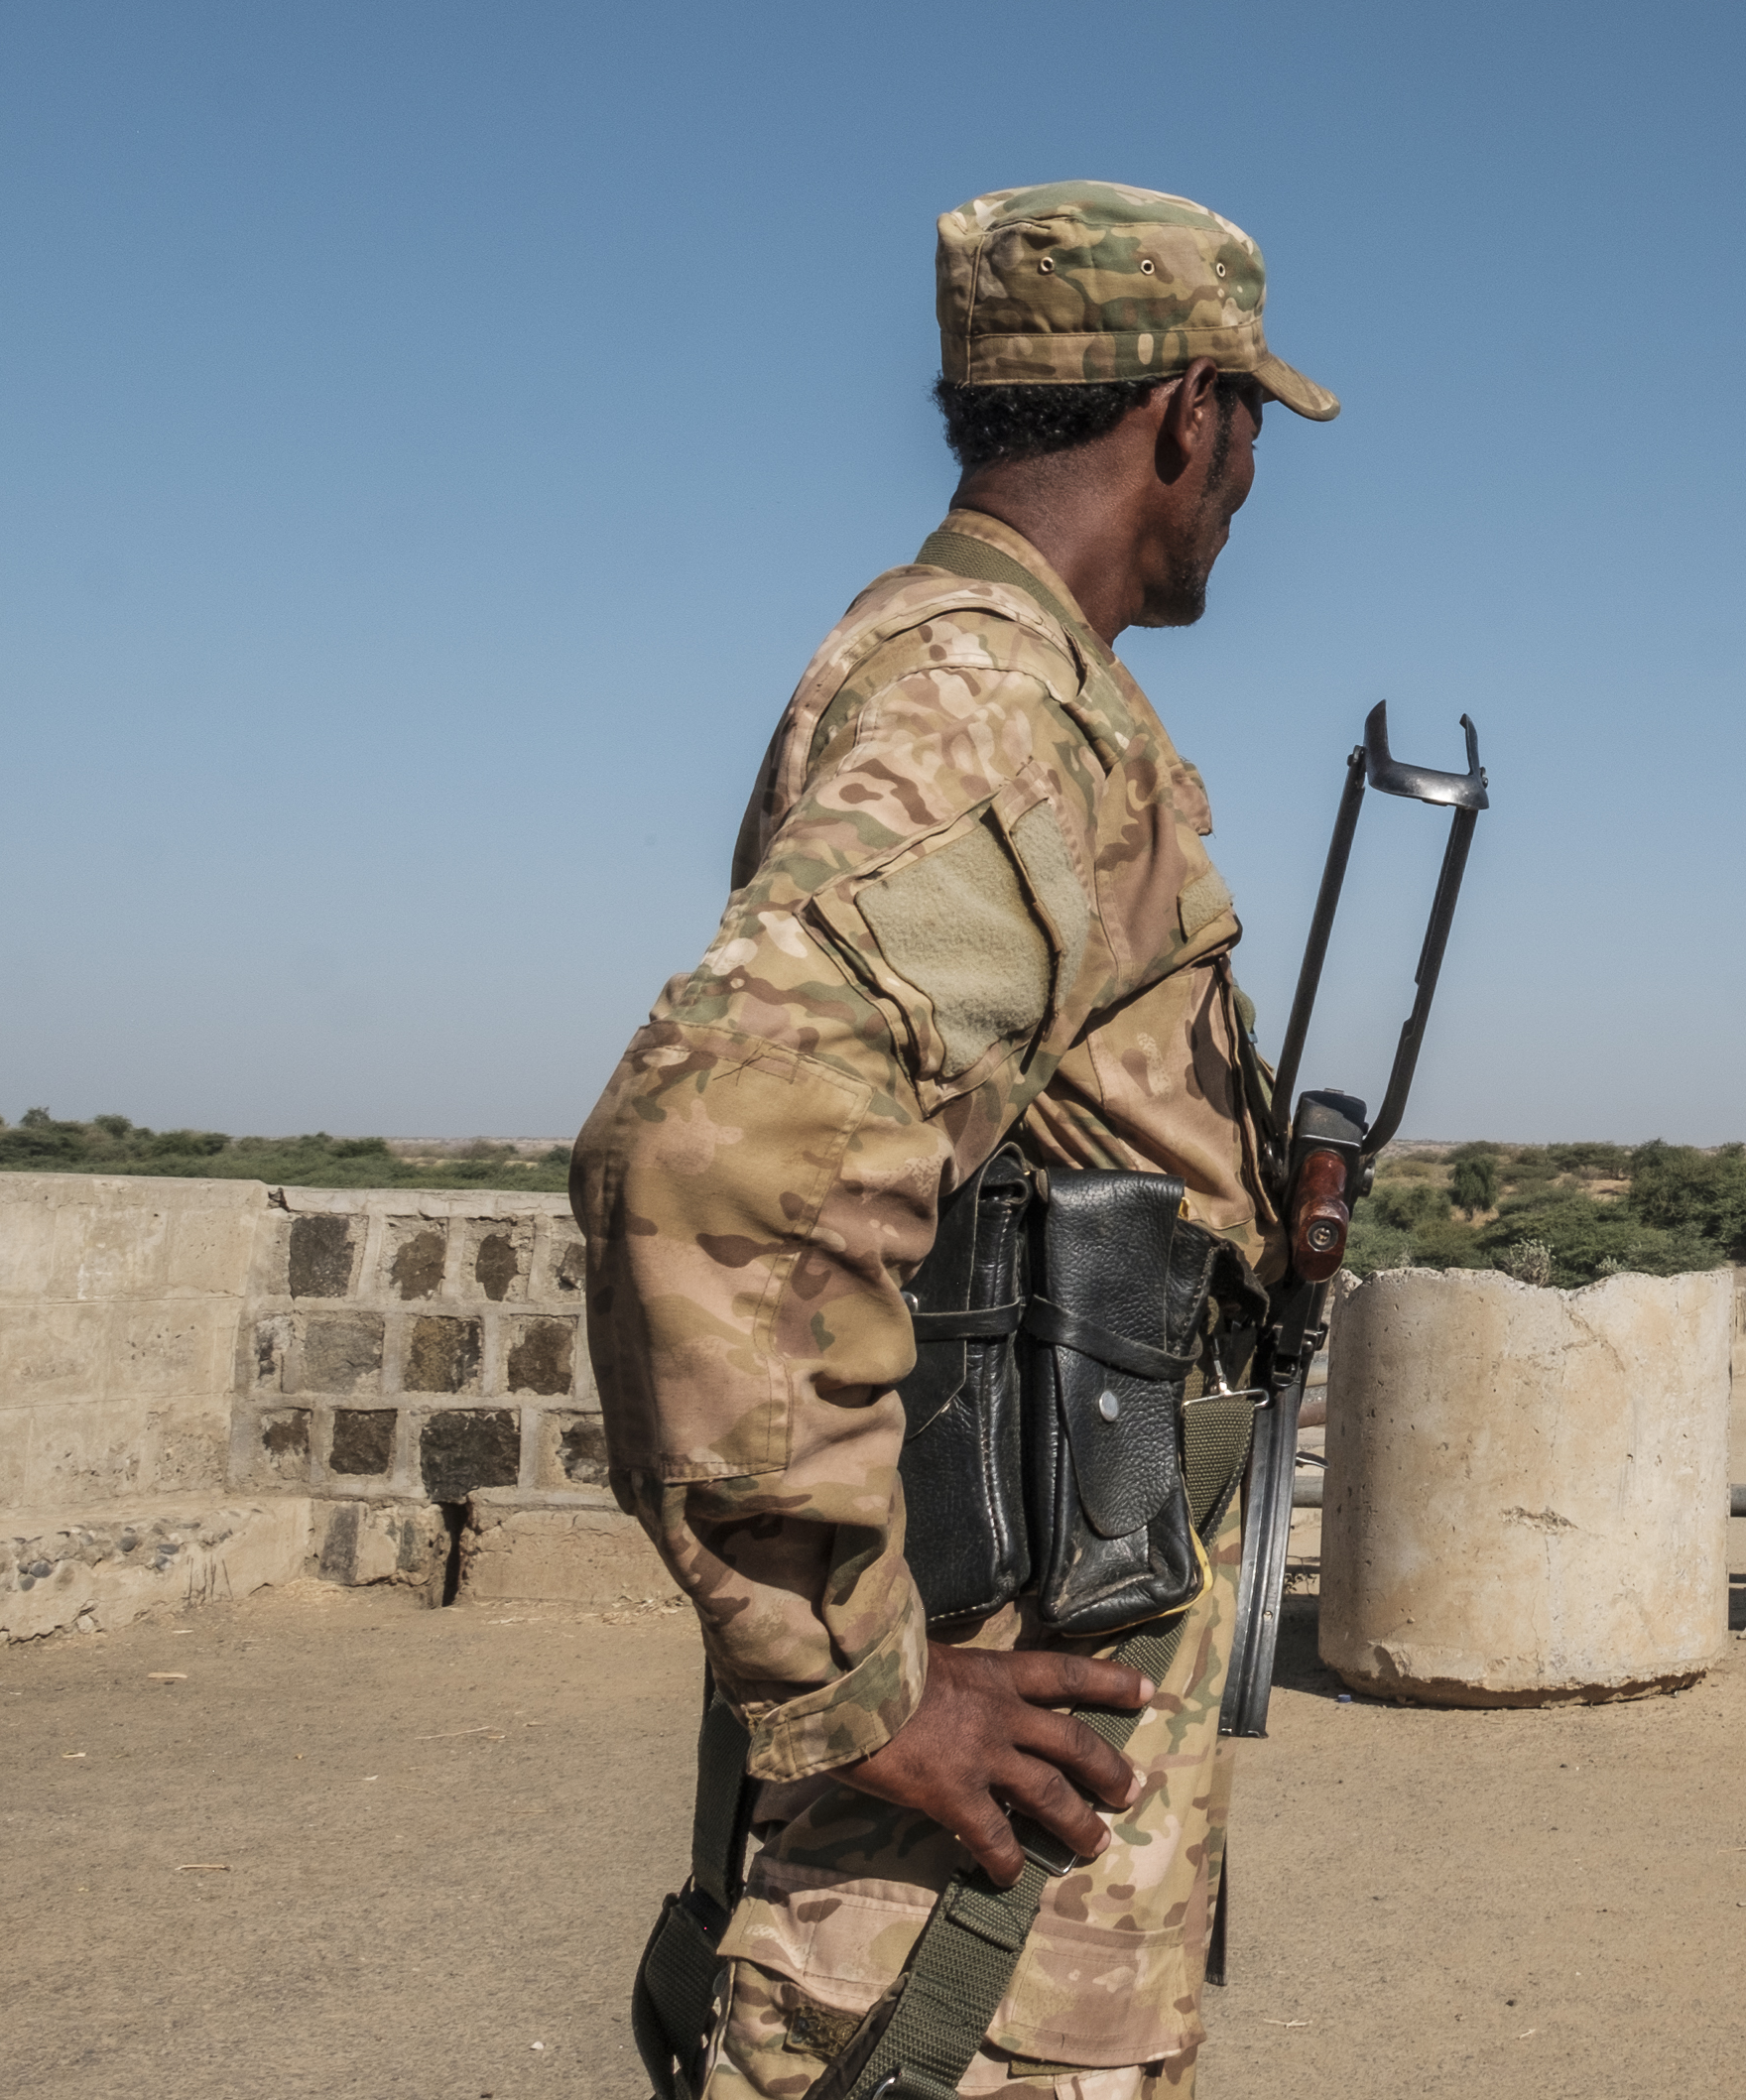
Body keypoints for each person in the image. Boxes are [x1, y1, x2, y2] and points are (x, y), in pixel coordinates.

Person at [572, 180, 1339, 2097]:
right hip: (973, 1806)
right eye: (1245, 425)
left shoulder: (1027, 691)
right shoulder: (990, 703)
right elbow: (716, 1151)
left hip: (1060, 1689)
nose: (1247, 476)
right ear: (1189, 412)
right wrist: (859, 1681)